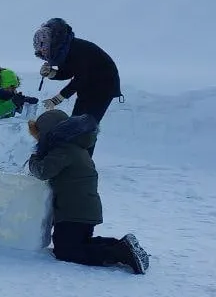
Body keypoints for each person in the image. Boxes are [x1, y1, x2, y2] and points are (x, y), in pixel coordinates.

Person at [27, 109, 149, 274]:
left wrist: (34, 159)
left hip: (74, 211)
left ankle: (120, 252)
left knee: (66, 251)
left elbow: (43, 171)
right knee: (80, 242)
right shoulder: (75, 148)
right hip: (82, 209)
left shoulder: (64, 151)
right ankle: (120, 245)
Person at [33, 17, 121, 154]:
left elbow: (80, 79)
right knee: (75, 124)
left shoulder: (78, 50)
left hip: (103, 88)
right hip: (87, 88)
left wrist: (57, 99)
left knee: (86, 126)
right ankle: (75, 159)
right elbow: (67, 73)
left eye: (45, 51)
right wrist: (51, 73)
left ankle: (84, 163)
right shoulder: (65, 50)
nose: (45, 55)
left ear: (52, 42)